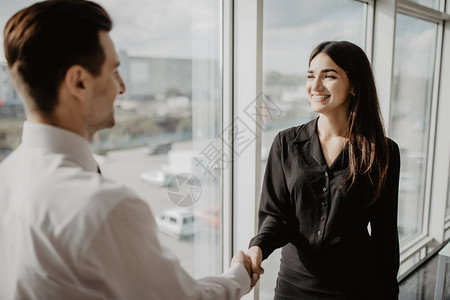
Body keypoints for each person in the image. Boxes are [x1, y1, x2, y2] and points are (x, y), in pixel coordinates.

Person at [0, 1, 252, 299]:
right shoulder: (104, 207)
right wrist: (240, 275)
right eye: (114, 71)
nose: (122, 88)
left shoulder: (7, 175)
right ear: (79, 82)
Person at [246, 41, 401, 299]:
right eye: (310, 75)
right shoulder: (286, 143)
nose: (315, 86)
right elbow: (276, 216)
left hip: (357, 288)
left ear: (354, 85)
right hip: (293, 288)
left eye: (329, 76)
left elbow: (385, 236)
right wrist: (257, 248)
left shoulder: (383, 151)